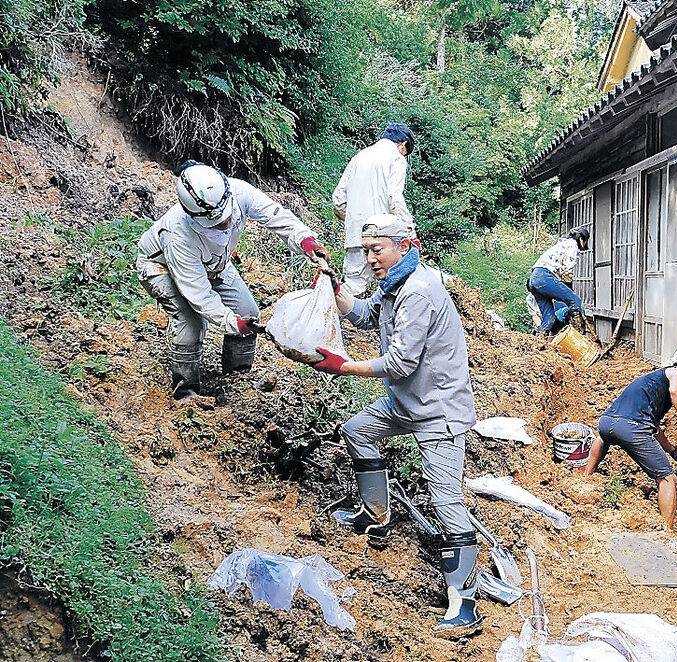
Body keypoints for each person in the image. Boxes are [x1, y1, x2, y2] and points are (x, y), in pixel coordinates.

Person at [311, 213, 482, 638]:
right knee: (357, 431)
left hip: (438, 411)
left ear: (404, 246)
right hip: (407, 401)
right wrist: (336, 291)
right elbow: (368, 315)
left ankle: (466, 602)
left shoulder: (420, 291)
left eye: (377, 249)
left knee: (444, 502)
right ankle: (375, 514)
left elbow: (402, 361)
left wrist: (343, 366)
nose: (370, 258)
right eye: (365, 251)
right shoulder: (395, 284)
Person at [137, 161, 327, 401]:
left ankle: (237, 381)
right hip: (159, 266)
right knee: (191, 322)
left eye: (227, 216)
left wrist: (305, 240)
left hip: (215, 262)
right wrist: (231, 322)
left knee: (248, 311)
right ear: (194, 217)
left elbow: (275, 215)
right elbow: (200, 295)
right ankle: (186, 393)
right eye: (217, 223)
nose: (226, 224)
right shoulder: (178, 236)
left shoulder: (239, 191)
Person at [584, 348, 677, 529]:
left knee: (603, 438)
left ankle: (586, 477)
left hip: (606, 423)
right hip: (632, 428)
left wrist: (673, 452)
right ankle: (667, 530)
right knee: (668, 478)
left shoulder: (653, 381)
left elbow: (654, 428)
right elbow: (676, 391)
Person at [332, 123, 417, 296]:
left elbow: (338, 199)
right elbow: (395, 198)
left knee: (352, 285)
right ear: (403, 145)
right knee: (398, 282)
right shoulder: (396, 158)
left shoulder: (359, 157)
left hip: (356, 234)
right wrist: (409, 230)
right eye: (405, 152)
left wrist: (354, 221)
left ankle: (324, 318)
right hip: (384, 236)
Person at [528, 227, 589, 335]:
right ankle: (577, 336)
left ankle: (538, 342)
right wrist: (569, 290)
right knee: (575, 301)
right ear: (581, 239)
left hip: (534, 278)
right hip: (544, 277)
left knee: (549, 318)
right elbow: (567, 271)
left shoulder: (562, 244)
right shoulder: (573, 245)